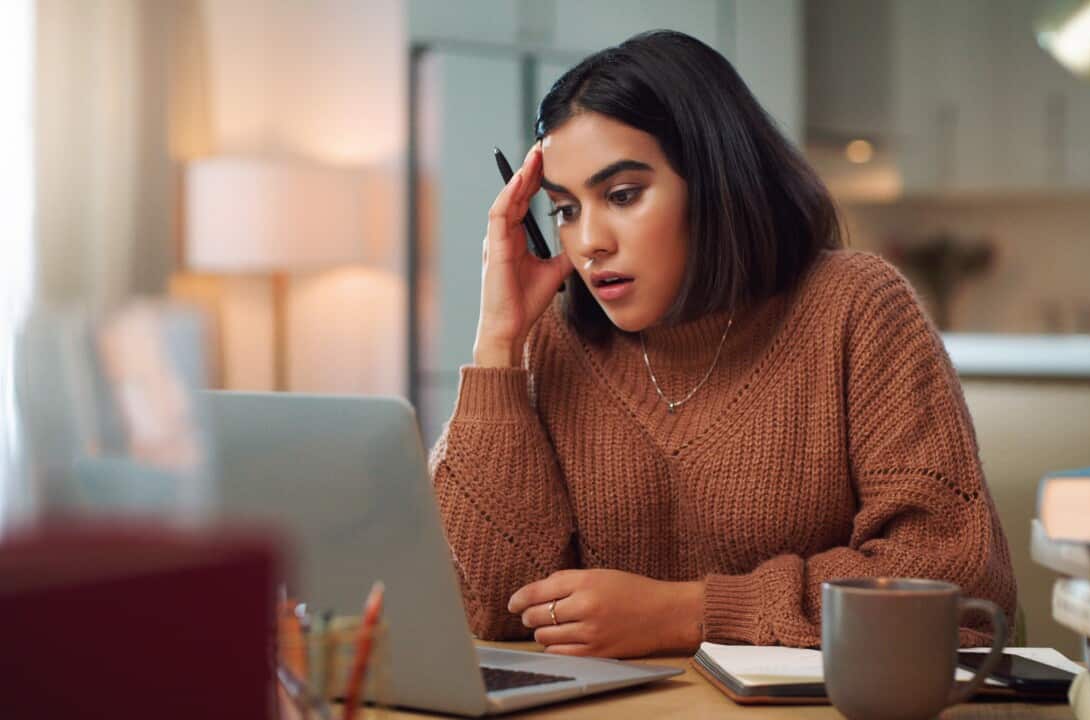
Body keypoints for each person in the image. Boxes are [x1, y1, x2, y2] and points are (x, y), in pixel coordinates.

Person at [429, 29, 1016, 659]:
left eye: (622, 196)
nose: (589, 240)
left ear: (714, 182)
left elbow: (956, 584)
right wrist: (498, 341)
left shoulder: (857, 306)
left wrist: (690, 614)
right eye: (565, 209)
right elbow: (492, 606)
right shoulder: (551, 340)